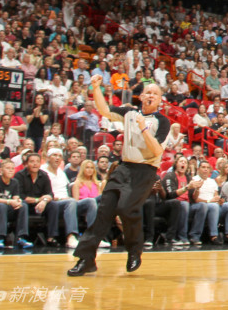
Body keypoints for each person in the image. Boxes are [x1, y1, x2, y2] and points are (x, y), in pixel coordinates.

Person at [67, 75, 170, 276]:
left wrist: (143, 128)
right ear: (140, 96)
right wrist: (96, 88)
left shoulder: (162, 121)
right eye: (148, 92)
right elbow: (104, 110)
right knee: (104, 211)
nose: (151, 95)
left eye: (155, 94)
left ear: (159, 101)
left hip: (145, 171)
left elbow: (157, 151)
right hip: (123, 168)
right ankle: (86, 259)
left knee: (125, 208)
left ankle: (134, 251)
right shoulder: (130, 113)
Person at [0, 159, 33, 249]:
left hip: (5, 209)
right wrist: (10, 202)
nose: (11, 170)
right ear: (1, 170)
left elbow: (15, 197)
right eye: (8, 168)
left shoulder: (15, 182)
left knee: (23, 206)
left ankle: (21, 238)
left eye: (12, 168)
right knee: (1, 206)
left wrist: (18, 202)